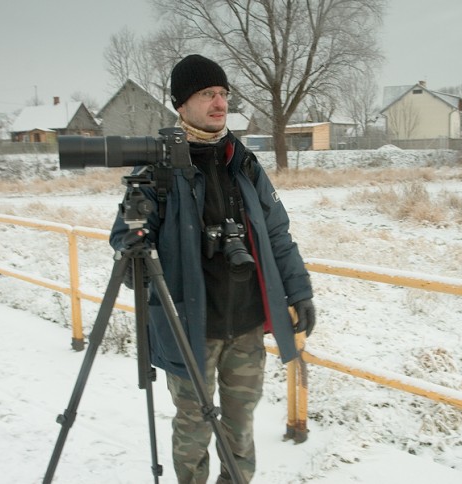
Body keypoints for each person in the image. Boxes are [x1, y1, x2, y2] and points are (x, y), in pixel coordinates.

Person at [109, 54, 316, 484]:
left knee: (240, 426)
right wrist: (134, 250)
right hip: (189, 328)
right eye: (207, 94)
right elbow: (125, 247)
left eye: (222, 93)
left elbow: (277, 232)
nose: (219, 102)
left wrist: (299, 290)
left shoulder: (241, 161)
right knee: (192, 426)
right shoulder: (156, 167)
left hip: (245, 324)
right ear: (182, 104)